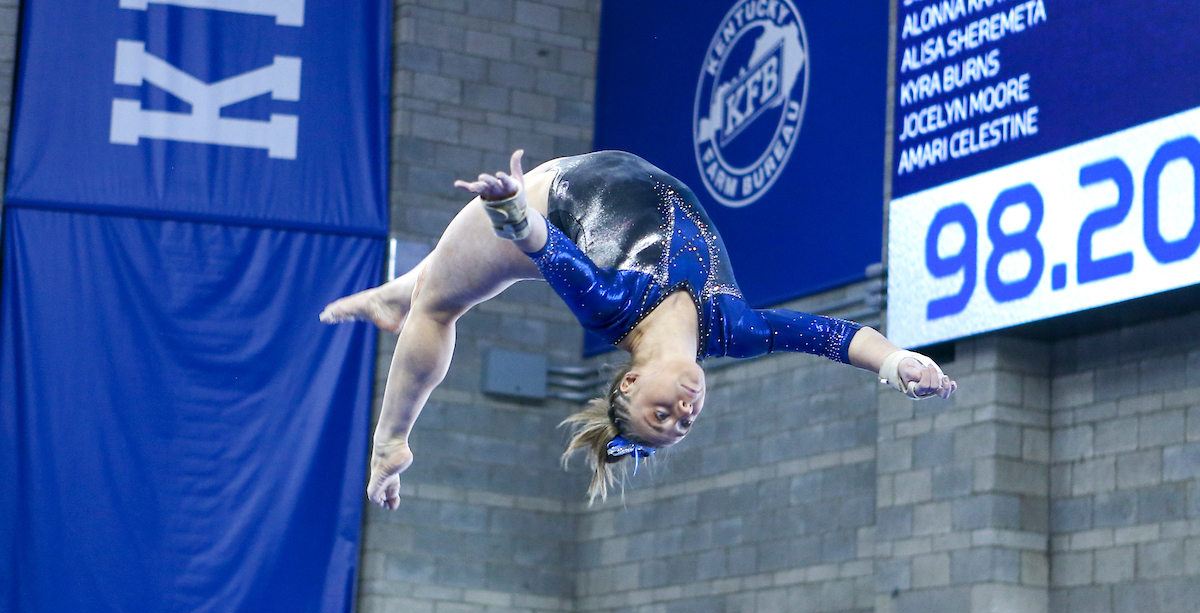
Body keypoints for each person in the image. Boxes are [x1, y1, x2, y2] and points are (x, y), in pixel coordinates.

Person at [321, 150, 955, 507]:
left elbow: (551, 253)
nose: (682, 415)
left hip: (546, 198)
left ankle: (389, 446)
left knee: (438, 305)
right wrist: (898, 364)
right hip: (560, 203)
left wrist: (512, 208)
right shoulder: (732, 328)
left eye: (661, 417)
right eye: (682, 425)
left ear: (628, 383)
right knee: (437, 282)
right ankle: (396, 295)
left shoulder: (611, 305)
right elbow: (832, 338)